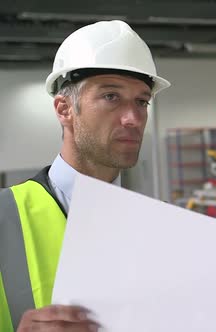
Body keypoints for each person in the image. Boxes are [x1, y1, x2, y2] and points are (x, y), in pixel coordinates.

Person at [0, 20, 170, 332]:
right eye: (110, 97)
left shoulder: (160, 227)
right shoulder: (4, 216)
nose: (134, 119)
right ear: (64, 109)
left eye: (142, 101)